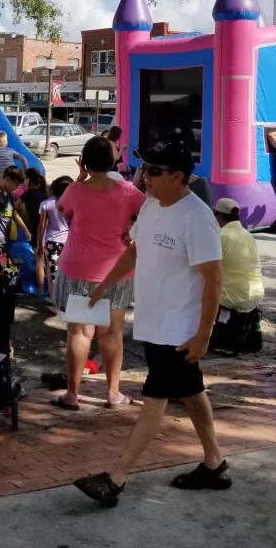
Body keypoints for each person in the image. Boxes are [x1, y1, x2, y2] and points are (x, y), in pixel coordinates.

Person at [73, 138, 226, 506]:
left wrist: (203, 335)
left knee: (154, 398)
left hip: (179, 329)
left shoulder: (198, 217)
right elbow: (135, 251)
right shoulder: (154, 206)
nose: (145, 178)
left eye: (154, 171)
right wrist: (105, 286)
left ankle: (117, 478)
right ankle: (214, 462)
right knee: (191, 391)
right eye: (144, 169)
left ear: (178, 175)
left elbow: (214, 280)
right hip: (155, 322)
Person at [51, 137, 147, 411]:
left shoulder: (75, 190)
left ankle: (72, 395)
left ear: (84, 160)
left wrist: (81, 178)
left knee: (79, 334)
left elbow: (62, 210)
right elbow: (149, 212)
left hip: (77, 268)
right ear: (114, 161)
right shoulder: (128, 191)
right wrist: (131, 230)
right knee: (112, 334)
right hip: (116, 271)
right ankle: (113, 393)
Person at [210, 197, 265, 354]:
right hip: (255, 293)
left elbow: (210, 269)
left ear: (219, 216)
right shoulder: (247, 234)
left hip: (234, 296)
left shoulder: (221, 236)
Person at [35, 175, 73, 292]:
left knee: (53, 273)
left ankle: (53, 300)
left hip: (52, 242)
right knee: (67, 272)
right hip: (69, 241)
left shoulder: (46, 204)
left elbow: (42, 226)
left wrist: (39, 244)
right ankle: (64, 298)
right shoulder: (71, 203)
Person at [0, 165, 29, 253]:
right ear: (7, 179)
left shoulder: (10, 195)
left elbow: (14, 214)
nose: (17, 187)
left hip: (6, 240)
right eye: (16, 184)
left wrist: (25, 229)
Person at [18, 167, 49, 247]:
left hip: (36, 230)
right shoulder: (44, 193)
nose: (23, 183)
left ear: (28, 180)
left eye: (24, 180)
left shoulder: (28, 194)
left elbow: (13, 206)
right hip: (46, 229)